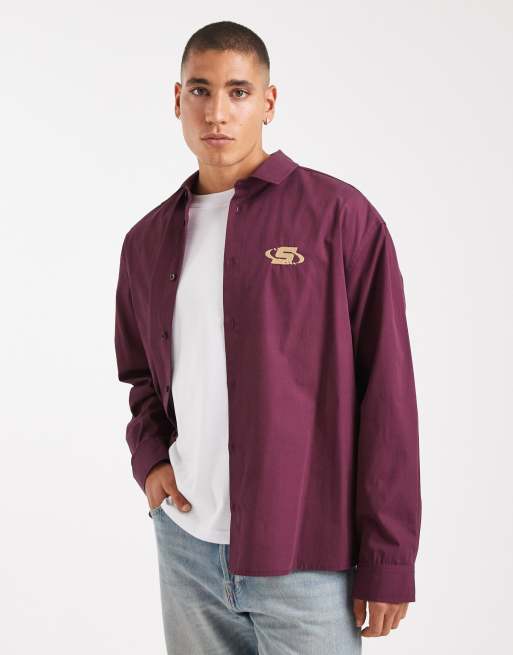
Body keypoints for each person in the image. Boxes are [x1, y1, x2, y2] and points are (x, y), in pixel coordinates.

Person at [114, 20, 422, 654]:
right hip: (187, 547)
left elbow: (387, 392)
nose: (217, 112)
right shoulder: (146, 242)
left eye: (238, 91)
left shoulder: (340, 218)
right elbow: (141, 373)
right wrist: (151, 461)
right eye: (200, 90)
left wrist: (388, 558)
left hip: (307, 559)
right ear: (177, 100)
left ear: (269, 102)